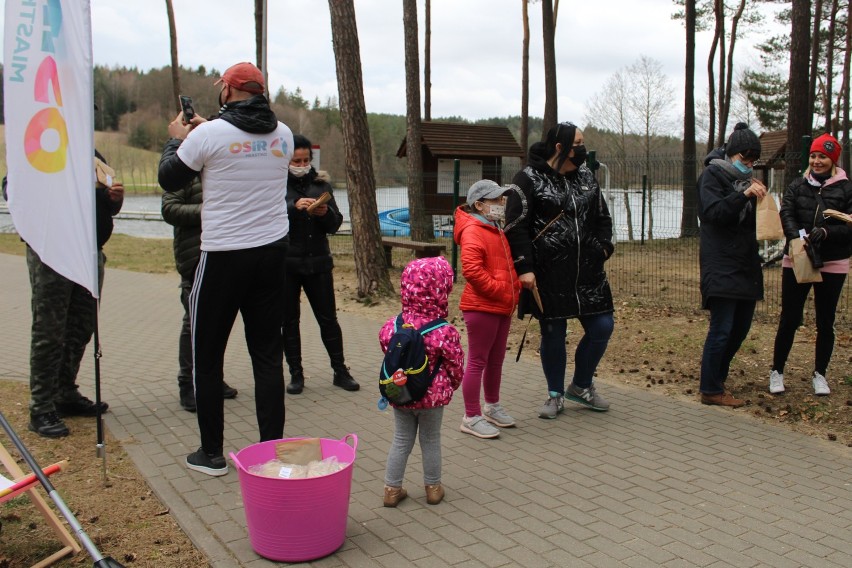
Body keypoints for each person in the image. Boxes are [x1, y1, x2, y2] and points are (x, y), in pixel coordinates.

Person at [158, 62, 293, 476]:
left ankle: (211, 454)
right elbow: (244, 143)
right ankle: (271, 450)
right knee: (268, 357)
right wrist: (205, 129)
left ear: (229, 91)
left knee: (207, 355)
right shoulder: (283, 134)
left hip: (222, 255)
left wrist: (176, 138)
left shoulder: (207, 134)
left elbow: (169, 177)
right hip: (272, 253)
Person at [3, 153, 124, 438]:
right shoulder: (36, 148)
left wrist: (112, 199)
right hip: (51, 252)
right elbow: (12, 190)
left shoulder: (91, 154)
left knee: (82, 327)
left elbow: (103, 206)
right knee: (49, 331)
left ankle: (65, 392)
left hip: (89, 251)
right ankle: (41, 406)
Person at [504, 121, 615, 419]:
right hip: (548, 273)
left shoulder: (587, 177)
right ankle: (554, 394)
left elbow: (602, 217)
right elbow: (515, 226)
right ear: (560, 147)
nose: (583, 148)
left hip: (589, 272)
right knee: (554, 331)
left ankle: (581, 386)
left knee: (602, 326)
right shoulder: (528, 178)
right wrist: (525, 268)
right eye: (578, 143)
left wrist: (603, 247)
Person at [769, 133, 852, 396]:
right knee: (790, 318)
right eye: (814, 156)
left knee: (825, 321)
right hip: (798, 258)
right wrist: (798, 237)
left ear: (832, 160)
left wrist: (827, 233)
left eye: (823, 157)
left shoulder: (847, 188)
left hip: (833, 261)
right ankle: (777, 371)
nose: (817, 161)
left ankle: (820, 374)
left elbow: (849, 224)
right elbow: (787, 213)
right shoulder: (797, 185)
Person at [379, 257, 463, 507]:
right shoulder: (444, 331)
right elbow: (455, 365)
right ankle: (433, 488)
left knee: (401, 440)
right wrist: (450, 386)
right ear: (441, 290)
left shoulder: (392, 326)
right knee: (431, 440)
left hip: (401, 392)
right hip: (432, 397)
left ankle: (391, 490)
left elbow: (386, 346)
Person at [697, 122, 767, 408]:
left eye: (752, 162)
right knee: (722, 328)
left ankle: (717, 377)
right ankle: (710, 388)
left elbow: (751, 223)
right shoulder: (711, 176)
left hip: (746, 265)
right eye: (744, 160)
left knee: (740, 328)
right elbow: (714, 214)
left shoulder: (749, 182)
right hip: (721, 264)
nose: (748, 166)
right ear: (731, 154)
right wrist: (744, 196)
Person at [282, 135, 358, 394]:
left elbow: (336, 224)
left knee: (328, 319)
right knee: (289, 321)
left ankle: (340, 370)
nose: (301, 164)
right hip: (287, 264)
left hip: (319, 263)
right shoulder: (276, 184)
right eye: (296, 160)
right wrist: (293, 206)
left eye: (305, 160)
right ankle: (296, 374)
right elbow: (267, 215)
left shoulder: (321, 185)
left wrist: (325, 213)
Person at [161, 176, 238, 412]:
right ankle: (187, 383)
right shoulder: (183, 172)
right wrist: (207, 211)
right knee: (193, 324)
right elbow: (170, 209)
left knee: (219, 322)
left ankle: (212, 377)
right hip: (193, 258)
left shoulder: (224, 169)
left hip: (224, 255)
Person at [454, 180, 520, 439]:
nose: (502, 203)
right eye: (496, 200)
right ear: (479, 205)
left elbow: (505, 266)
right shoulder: (473, 229)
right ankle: (471, 416)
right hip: (482, 307)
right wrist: (502, 291)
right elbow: (472, 270)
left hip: (501, 305)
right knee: (478, 361)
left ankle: (491, 406)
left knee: (496, 360)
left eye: (503, 199)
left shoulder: (494, 228)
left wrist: (513, 290)